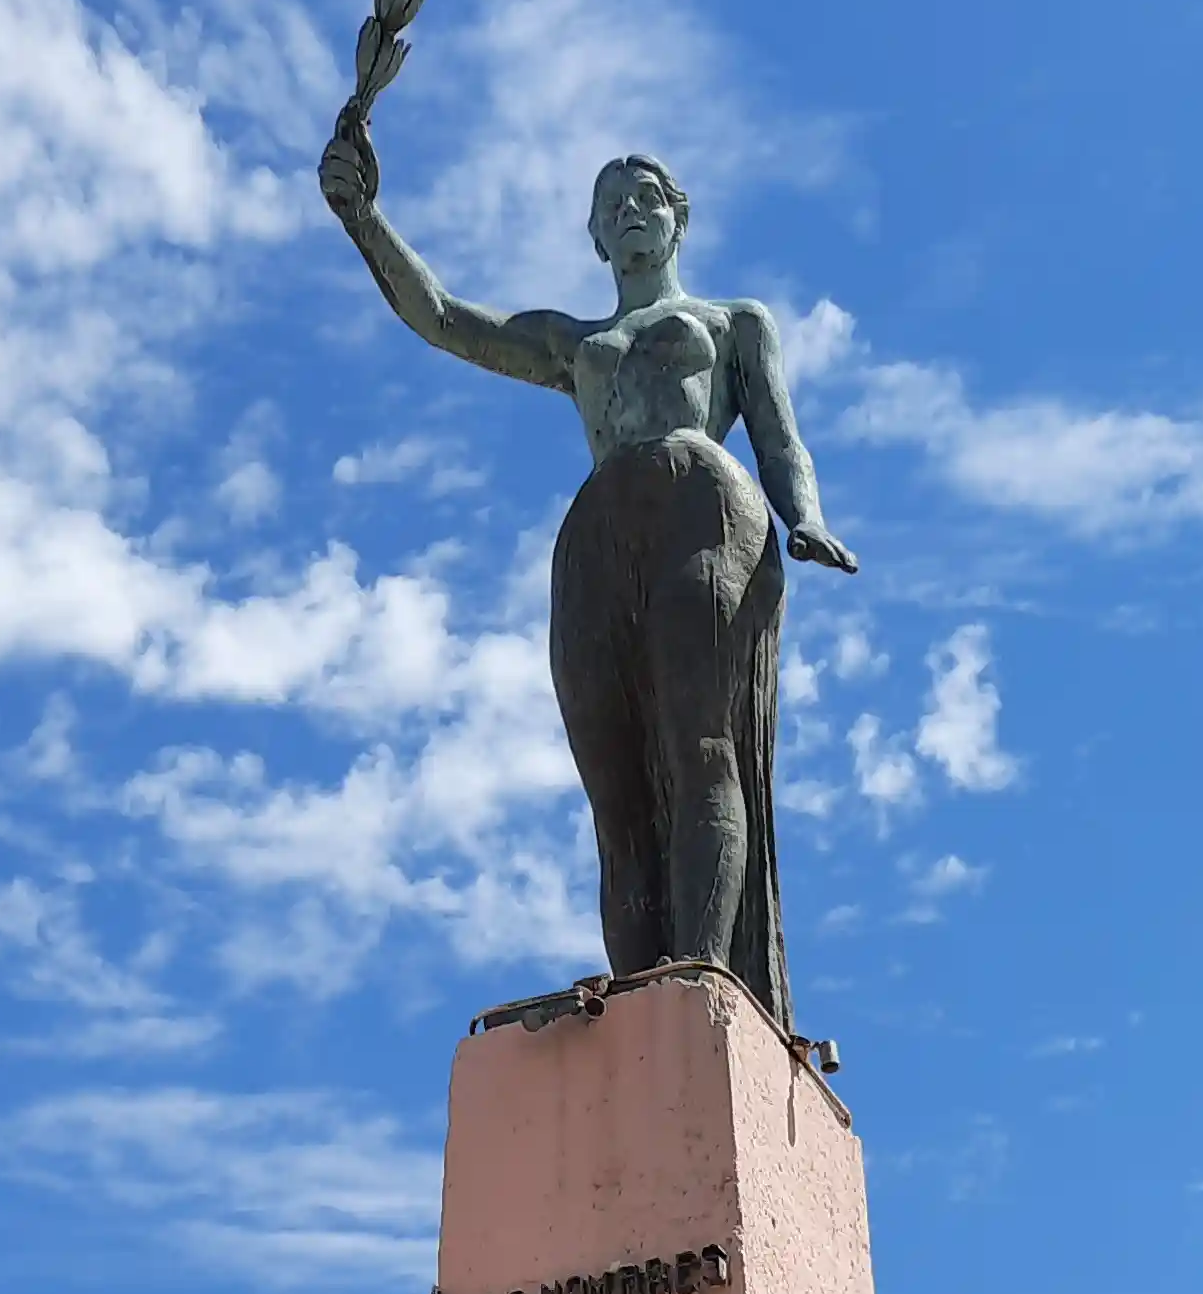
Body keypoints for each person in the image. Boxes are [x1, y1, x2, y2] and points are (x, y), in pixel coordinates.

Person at [319, 126, 856, 1031]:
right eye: (612, 207)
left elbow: (779, 436)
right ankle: (644, 992)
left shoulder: (734, 323)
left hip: (705, 508)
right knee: (614, 781)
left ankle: (706, 968)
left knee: (698, 745)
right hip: (597, 532)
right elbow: (447, 319)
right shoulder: (575, 346)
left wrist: (803, 517)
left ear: (677, 220)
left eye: (647, 196)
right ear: (597, 241)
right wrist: (364, 218)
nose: (631, 212)